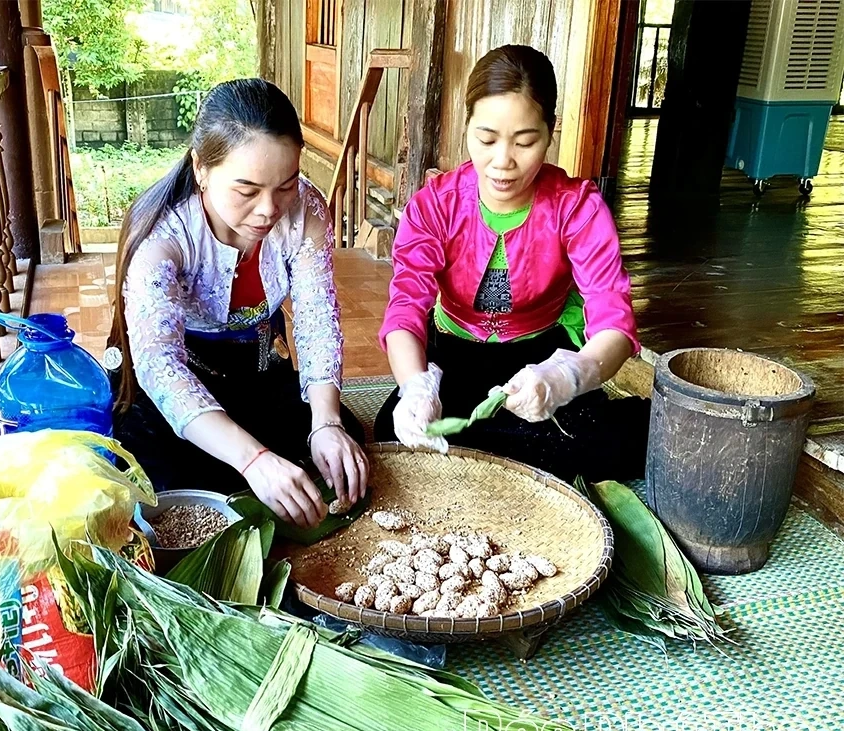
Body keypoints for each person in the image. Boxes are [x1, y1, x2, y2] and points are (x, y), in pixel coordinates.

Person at [374, 44, 649, 483]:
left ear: (550, 131)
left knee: (586, 439)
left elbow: (613, 318)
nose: (502, 162)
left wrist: (568, 377)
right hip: (455, 357)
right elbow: (406, 307)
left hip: (541, 357)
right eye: (486, 139)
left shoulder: (577, 207)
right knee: (394, 427)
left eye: (525, 142)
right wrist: (414, 387)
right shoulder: (434, 207)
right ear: (466, 129)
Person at [107, 78, 368, 528]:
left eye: (285, 185)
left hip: (259, 366)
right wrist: (253, 460)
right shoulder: (162, 236)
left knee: (339, 449)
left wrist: (325, 422)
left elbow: (316, 319)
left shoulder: (306, 211)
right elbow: (159, 365)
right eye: (246, 190)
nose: (269, 209)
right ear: (202, 169)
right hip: (182, 378)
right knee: (172, 489)